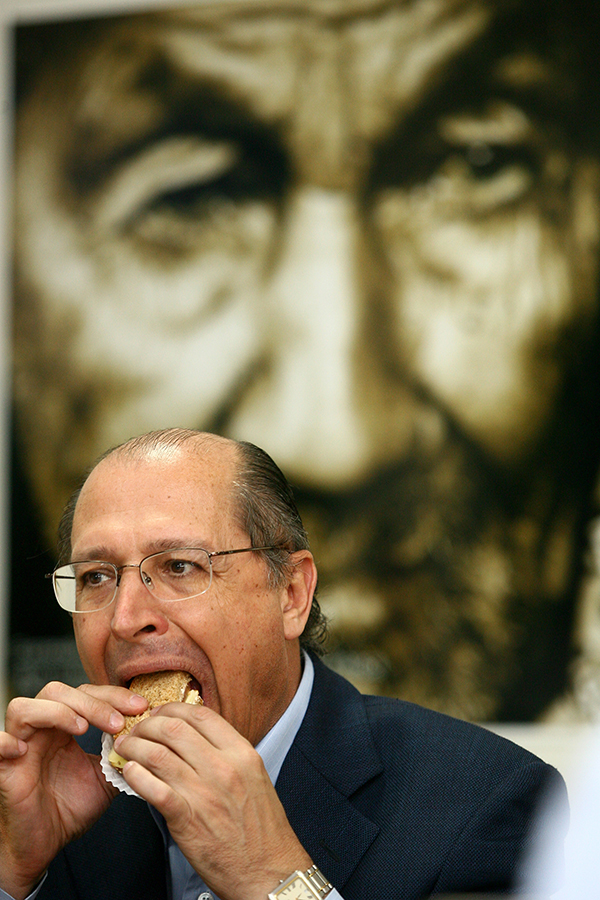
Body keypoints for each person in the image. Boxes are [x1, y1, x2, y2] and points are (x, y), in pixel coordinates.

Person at [10, 0, 600, 722]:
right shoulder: (52, 786)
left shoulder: (502, 786)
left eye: (475, 166)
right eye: (194, 196)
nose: (337, 442)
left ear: (296, 592)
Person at [0, 428, 567, 900]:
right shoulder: (57, 790)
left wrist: (273, 879)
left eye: (179, 567)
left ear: (291, 593)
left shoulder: (487, 804)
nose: (126, 618)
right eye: (97, 577)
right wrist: (11, 875)